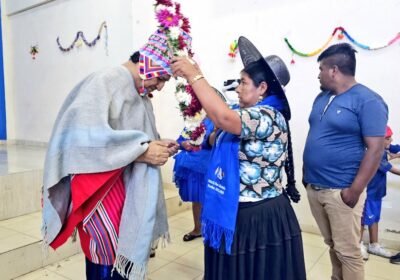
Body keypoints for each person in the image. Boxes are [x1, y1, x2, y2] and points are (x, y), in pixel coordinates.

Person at [41, 29, 184, 280]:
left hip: (124, 183)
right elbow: (80, 137)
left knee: (120, 251)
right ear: (146, 63)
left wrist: (157, 144)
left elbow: (134, 136)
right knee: (105, 254)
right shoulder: (106, 80)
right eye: (160, 78)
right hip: (103, 188)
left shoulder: (139, 89)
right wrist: (141, 152)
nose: (159, 87)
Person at [171, 36, 305, 280]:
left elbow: (222, 121)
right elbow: (215, 137)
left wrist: (194, 76)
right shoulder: (245, 115)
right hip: (235, 210)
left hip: (256, 216)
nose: (238, 88)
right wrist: (207, 138)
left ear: (262, 88)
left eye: (243, 83)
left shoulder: (267, 116)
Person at [303, 43, 388, 280]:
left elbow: (375, 149)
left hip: (342, 191)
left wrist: (355, 190)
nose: (318, 74)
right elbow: (316, 135)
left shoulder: (368, 100)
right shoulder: (322, 97)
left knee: (349, 252)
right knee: (333, 245)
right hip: (315, 186)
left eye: (321, 68)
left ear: (334, 70)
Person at [360, 126, 400, 260]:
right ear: (377, 140)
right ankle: (358, 245)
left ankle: (373, 245)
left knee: (375, 218)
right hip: (369, 193)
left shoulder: (384, 147)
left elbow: (395, 148)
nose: (391, 140)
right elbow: (391, 168)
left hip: (378, 191)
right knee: (363, 219)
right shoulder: (373, 154)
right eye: (388, 138)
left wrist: (396, 153)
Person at [173, 116, 214, 241]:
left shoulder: (217, 120)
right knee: (196, 199)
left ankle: (212, 231)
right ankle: (198, 229)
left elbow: (214, 142)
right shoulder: (194, 120)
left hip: (207, 165)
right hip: (190, 166)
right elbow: (180, 140)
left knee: (211, 199)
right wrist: (183, 144)